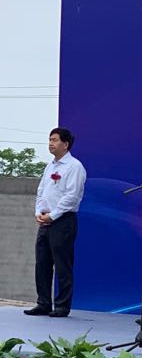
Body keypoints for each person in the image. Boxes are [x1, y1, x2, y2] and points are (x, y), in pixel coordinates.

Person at [24, 127, 87, 319]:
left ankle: (62, 305)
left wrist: (53, 215)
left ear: (65, 144)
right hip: (45, 221)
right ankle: (43, 303)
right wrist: (39, 212)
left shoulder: (74, 167)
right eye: (49, 140)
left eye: (55, 140)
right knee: (42, 263)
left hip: (62, 221)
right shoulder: (50, 166)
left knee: (62, 264)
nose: (50, 143)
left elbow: (72, 196)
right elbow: (41, 191)